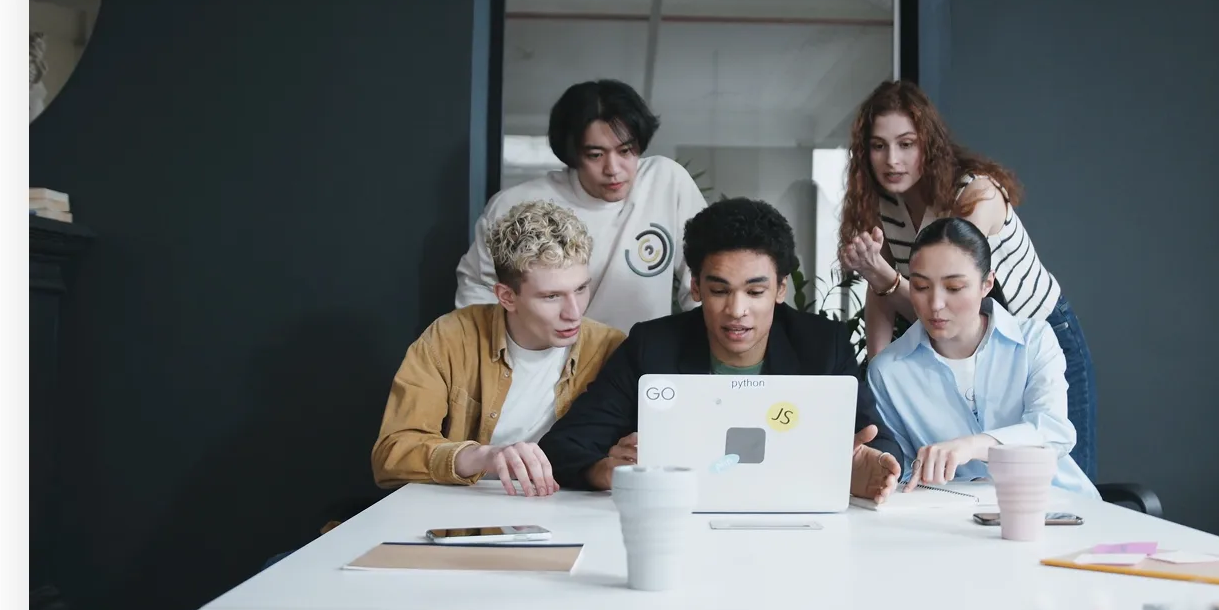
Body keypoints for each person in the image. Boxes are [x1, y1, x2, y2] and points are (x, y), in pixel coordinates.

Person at [539, 197, 904, 502]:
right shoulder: (653, 347)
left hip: (791, 517)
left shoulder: (822, 346)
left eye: (755, 292)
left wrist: (871, 463)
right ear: (696, 287)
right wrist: (604, 470)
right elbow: (563, 446)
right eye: (719, 290)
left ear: (780, 289)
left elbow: (880, 439)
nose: (736, 310)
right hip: (681, 517)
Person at [837, 79, 1098, 481]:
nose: (892, 159)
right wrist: (881, 372)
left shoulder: (977, 195)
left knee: (1057, 472)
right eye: (878, 145)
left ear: (930, 143)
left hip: (1030, 333)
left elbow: (948, 288)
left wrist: (886, 277)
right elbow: (906, 296)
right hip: (953, 339)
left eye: (906, 144)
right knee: (967, 477)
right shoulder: (884, 205)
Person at [372, 200, 625, 496]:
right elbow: (391, 454)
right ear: (506, 297)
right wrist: (484, 456)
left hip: (573, 511)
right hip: (462, 515)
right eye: (551, 296)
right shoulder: (451, 338)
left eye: (581, 289)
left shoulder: (610, 347)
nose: (574, 312)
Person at [866, 217, 1098, 499]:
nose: (936, 304)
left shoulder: (1033, 340)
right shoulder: (888, 371)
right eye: (921, 287)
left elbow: (1053, 431)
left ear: (987, 283)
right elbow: (901, 474)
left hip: (1057, 505)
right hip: (958, 524)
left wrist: (971, 446)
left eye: (953, 288)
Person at [455, 79, 708, 332]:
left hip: (640, 360)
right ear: (572, 154)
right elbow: (478, 289)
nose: (613, 170)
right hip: (553, 360)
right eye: (595, 155)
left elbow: (703, 278)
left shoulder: (666, 182)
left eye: (626, 151)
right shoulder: (517, 206)